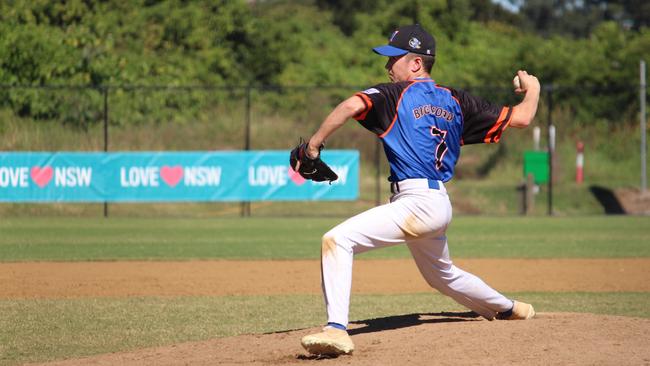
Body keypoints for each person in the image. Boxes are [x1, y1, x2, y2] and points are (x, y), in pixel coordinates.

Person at [300, 24, 540, 356]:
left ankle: (337, 329)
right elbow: (524, 117)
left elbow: (349, 107)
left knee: (338, 240)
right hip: (438, 202)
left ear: (415, 63)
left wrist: (312, 147)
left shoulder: (392, 95)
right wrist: (534, 88)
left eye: (394, 59)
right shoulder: (457, 100)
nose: (387, 67)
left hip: (415, 202)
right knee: (442, 276)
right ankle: (512, 308)